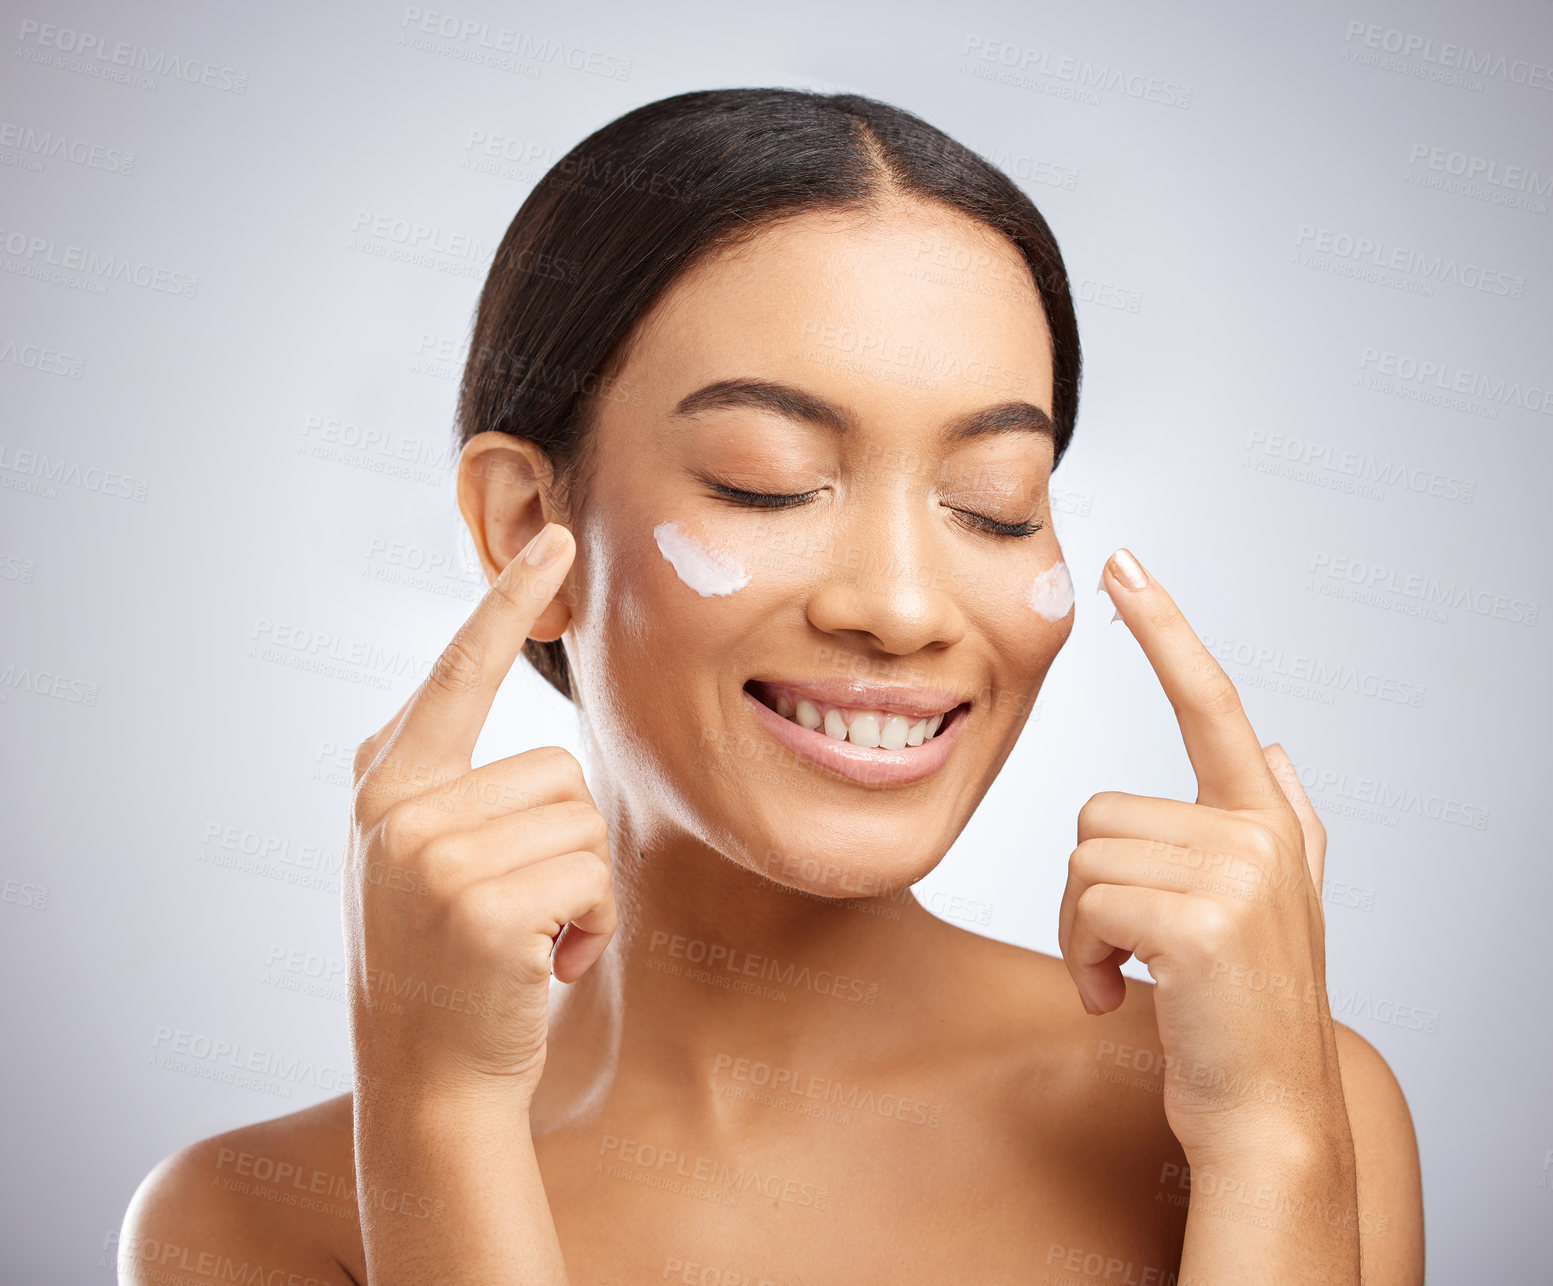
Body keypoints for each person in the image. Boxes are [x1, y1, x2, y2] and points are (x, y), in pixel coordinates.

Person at [118, 88, 1424, 1284]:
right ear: (526, 526)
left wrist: (1267, 1143)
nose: (903, 605)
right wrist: (441, 1125)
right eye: (766, 479)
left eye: (994, 504)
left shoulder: (1269, 1099)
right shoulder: (249, 1218)